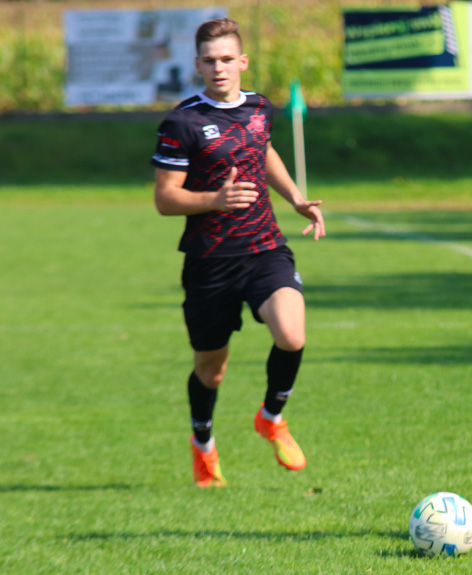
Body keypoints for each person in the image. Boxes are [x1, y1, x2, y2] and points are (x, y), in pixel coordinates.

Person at [151, 17, 326, 488]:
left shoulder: (259, 108)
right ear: (197, 66)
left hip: (265, 247)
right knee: (212, 371)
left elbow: (262, 149)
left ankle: (272, 417)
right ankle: (203, 446)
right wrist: (214, 199)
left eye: (227, 59)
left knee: (291, 333)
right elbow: (165, 198)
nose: (219, 68)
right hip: (209, 261)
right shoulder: (182, 121)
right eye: (209, 61)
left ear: (242, 62)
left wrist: (295, 199)